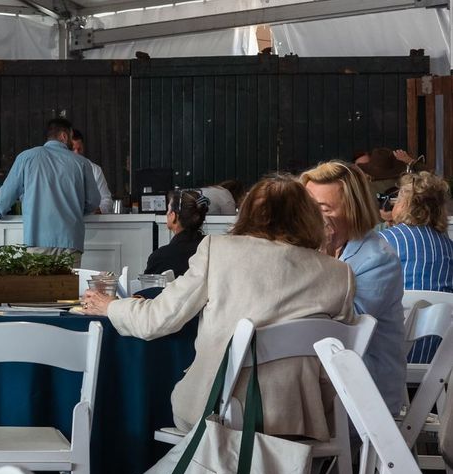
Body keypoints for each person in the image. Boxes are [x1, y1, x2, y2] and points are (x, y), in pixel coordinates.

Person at [82, 175, 355, 440]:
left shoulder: (218, 250)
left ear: (247, 213)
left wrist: (112, 307)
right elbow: (338, 365)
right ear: (308, 217)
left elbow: (158, 319)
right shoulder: (339, 274)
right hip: (300, 421)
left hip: (219, 412)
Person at [301, 160, 406, 413]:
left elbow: (339, 328)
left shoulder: (378, 259)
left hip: (362, 394)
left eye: (323, 208)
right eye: (307, 208)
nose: (312, 217)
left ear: (353, 209)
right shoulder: (309, 251)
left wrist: (321, 258)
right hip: (323, 383)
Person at [0, 117, 100, 266]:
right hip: (71, 241)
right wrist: (74, 209)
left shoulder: (27, 157)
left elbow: (8, 193)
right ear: (64, 136)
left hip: (37, 239)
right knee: (68, 288)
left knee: (40, 288)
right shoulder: (81, 163)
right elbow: (94, 201)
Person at [380, 171, 453, 362]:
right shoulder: (448, 246)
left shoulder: (383, 241)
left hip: (393, 354)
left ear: (407, 204)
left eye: (397, 198)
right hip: (439, 357)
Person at [145, 188, 208, 278]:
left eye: (168, 209)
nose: (166, 214)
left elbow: (148, 289)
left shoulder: (160, 257)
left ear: (173, 216)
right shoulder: (211, 248)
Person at [69, 128, 113, 213]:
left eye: (79, 149)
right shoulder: (60, 170)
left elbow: (107, 201)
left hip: (92, 222)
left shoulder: (95, 169)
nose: (76, 153)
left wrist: (96, 210)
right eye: (73, 149)